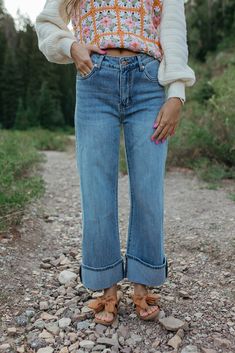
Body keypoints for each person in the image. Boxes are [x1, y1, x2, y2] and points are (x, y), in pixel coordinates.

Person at [35, 0, 196, 325]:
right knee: (96, 195)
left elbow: (174, 30)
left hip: (149, 82)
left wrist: (176, 93)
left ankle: (142, 283)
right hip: (95, 80)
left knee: (149, 192)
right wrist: (72, 46)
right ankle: (105, 286)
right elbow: (47, 23)